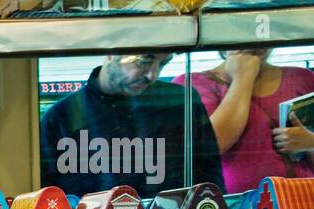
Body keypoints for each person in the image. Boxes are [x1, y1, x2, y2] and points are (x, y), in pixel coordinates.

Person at [41, 53, 223, 197]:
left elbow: (210, 179)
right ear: (111, 53)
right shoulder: (60, 118)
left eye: (163, 64)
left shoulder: (182, 102)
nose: (152, 75)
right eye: (144, 61)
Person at [175, 49, 314, 192]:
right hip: (230, 204)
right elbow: (214, 145)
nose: (253, 45)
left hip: (299, 199)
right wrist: (243, 78)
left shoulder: (303, 78)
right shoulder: (192, 84)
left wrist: (310, 142)